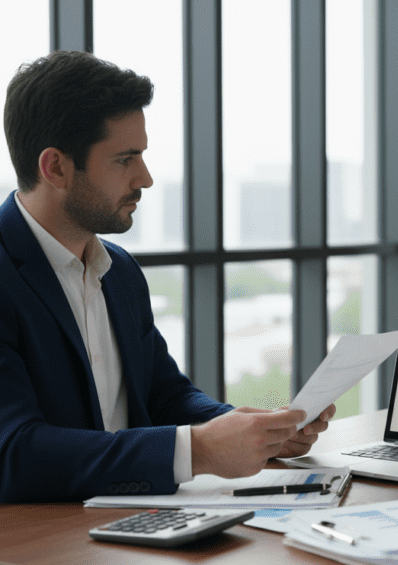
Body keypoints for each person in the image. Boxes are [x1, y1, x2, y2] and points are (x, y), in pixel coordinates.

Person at [0, 50, 336, 503]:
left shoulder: (118, 271)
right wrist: (200, 450)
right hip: (40, 547)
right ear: (56, 167)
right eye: (125, 159)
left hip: (130, 523)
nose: (146, 178)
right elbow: (15, 454)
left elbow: (165, 396)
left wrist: (250, 429)